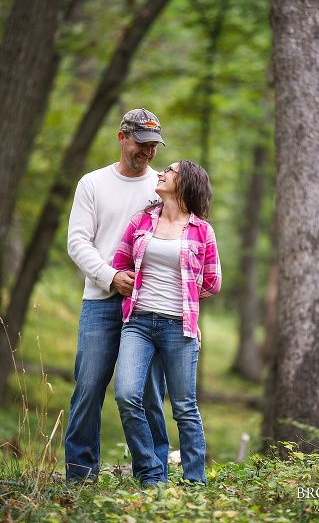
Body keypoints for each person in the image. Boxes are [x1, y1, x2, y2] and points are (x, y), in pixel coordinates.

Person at [65, 108, 170, 482]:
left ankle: (155, 478)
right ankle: (80, 477)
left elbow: (179, 240)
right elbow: (77, 242)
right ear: (122, 137)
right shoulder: (92, 184)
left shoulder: (163, 186)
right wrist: (112, 277)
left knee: (147, 393)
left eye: (154, 145)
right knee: (89, 387)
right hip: (100, 301)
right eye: (141, 143)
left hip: (149, 306)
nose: (148, 152)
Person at [113, 160, 221, 486]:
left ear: (185, 182)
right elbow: (121, 263)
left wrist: (187, 305)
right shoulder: (142, 220)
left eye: (170, 170)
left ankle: (194, 482)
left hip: (179, 328)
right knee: (127, 395)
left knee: (185, 408)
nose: (162, 172)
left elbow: (212, 281)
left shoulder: (202, 230)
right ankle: (151, 474)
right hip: (139, 322)